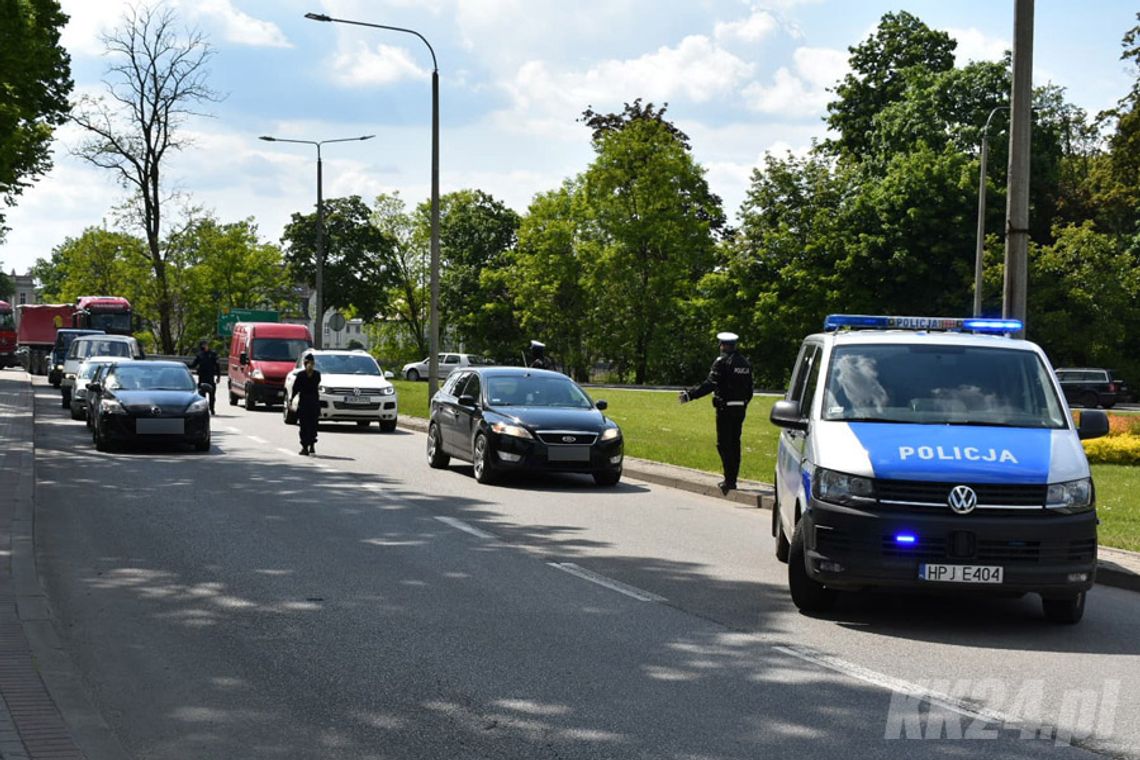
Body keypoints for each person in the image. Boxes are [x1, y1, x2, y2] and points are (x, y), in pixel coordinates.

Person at [679, 332, 754, 494]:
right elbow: (750, 390)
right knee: (735, 443)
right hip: (740, 409)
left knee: (724, 444)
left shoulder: (722, 362)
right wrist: (743, 403)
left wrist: (690, 395)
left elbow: (710, 384)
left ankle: (729, 480)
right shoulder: (745, 363)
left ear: (724, 345)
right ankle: (733, 478)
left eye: (721, 344)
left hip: (725, 408)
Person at [290, 353, 321, 455]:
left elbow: (296, 389)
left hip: (307, 403)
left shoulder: (304, 375)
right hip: (311, 403)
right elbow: (296, 389)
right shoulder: (315, 375)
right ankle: (310, 446)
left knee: (306, 426)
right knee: (310, 425)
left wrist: (291, 400)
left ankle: (306, 447)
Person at [188, 339, 221, 414]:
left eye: (205, 344)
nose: (204, 346)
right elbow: (193, 365)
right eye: (203, 345)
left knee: (212, 395)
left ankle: (212, 409)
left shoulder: (213, 354)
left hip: (210, 378)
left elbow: (217, 366)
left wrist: (218, 376)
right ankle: (204, 409)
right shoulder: (200, 355)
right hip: (202, 378)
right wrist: (185, 365)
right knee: (202, 396)